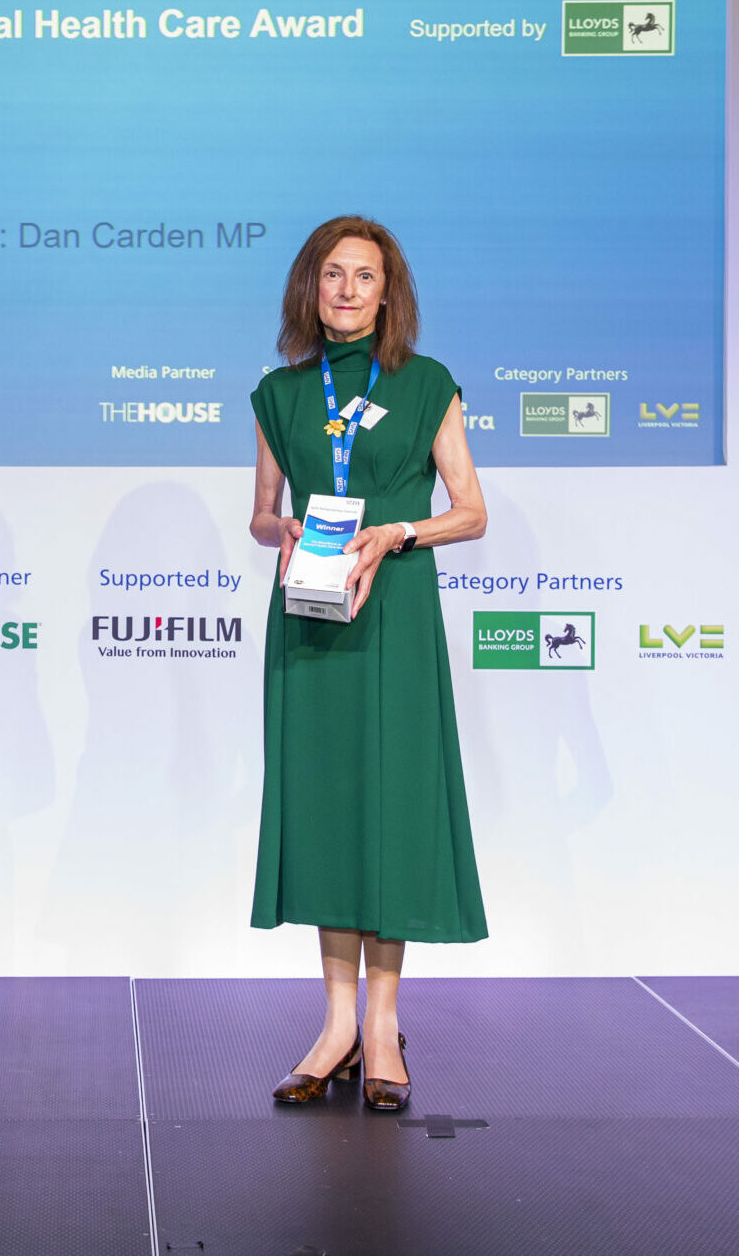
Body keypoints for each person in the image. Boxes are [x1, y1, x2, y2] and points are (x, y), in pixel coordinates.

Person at [248, 215, 487, 1113]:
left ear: (390, 293)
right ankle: (336, 1024)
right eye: (332, 274)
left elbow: (470, 509)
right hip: (313, 614)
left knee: (390, 809)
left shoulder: (425, 385)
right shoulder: (278, 393)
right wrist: (285, 536)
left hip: (395, 610)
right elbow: (263, 510)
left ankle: (383, 1028)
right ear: (310, 287)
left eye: (364, 276)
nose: (347, 289)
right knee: (329, 812)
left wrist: (398, 530)